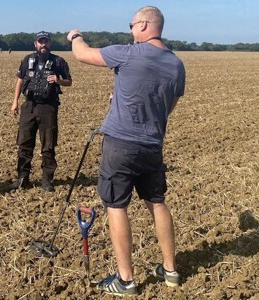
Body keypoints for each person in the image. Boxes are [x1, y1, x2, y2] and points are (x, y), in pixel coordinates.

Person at [67, 6, 185, 296]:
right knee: (157, 201)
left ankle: (126, 279)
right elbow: (165, 107)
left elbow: (83, 54)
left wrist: (75, 36)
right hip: (152, 145)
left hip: (121, 144)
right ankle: (170, 270)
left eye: (132, 24)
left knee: (116, 206)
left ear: (144, 25)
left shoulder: (129, 53)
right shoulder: (176, 64)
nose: (130, 29)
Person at [8, 31, 72, 192]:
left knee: (48, 144)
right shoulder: (27, 59)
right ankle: (23, 179)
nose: (43, 44)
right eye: (40, 41)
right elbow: (20, 80)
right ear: (35, 44)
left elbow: (69, 81)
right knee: (24, 143)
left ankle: (47, 180)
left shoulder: (58, 61)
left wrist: (58, 80)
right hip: (28, 106)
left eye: (46, 41)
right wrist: (15, 101)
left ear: (50, 44)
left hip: (48, 107)